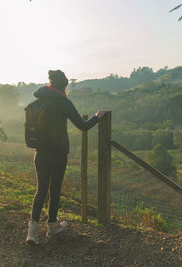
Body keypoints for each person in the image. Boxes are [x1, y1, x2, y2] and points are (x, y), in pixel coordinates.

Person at [26, 70, 106, 244]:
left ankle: (31, 232)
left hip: (39, 153)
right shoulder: (64, 102)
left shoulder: (40, 100)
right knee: (54, 190)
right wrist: (97, 117)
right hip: (58, 154)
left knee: (41, 190)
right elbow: (83, 126)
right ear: (64, 85)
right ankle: (52, 227)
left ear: (50, 83)